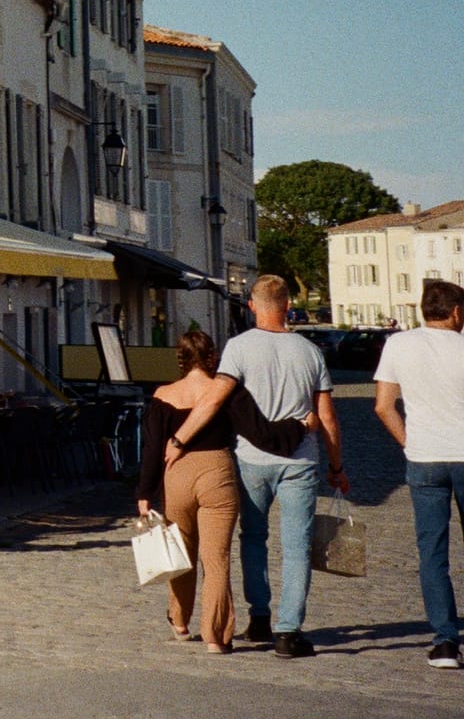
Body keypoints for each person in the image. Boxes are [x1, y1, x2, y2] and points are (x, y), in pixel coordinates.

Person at [169, 275, 348, 660]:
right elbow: (328, 417)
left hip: (252, 460)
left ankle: (260, 617)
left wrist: (180, 439)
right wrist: (337, 466)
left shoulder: (239, 347)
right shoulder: (309, 352)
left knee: (253, 539)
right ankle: (288, 630)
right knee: (297, 546)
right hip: (300, 461)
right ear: (287, 306)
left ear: (252, 305)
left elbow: (213, 401)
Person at [373, 279, 464, 669]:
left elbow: (383, 406)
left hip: (424, 457)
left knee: (432, 554)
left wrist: (409, 443)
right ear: (457, 312)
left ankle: (445, 641)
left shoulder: (398, 344)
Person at [138, 330, 247, 653]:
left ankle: (180, 620)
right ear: (212, 356)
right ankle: (216, 636)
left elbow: (152, 449)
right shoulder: (223, 390)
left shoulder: (163, 395)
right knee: (217, 559)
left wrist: (145, 492)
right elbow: (252, 427)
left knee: (180, 553)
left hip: (177, 475)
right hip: (218, 472)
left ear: (181, 357)